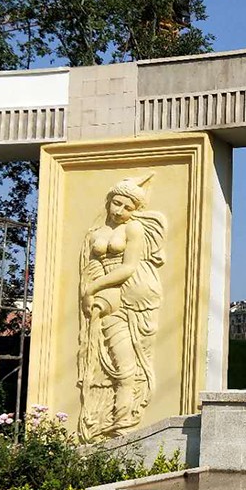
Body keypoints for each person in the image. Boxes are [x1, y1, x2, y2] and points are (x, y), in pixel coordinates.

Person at [77, 175, 165, 443]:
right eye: (116, 203)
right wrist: (91, 290)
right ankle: (105, 421)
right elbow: (88, 266)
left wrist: (92, 288)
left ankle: (122, 426)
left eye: (128, 207)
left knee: (128, 366)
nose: (119, 211)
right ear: (109, 201)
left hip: (134, 296)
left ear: (135, 210)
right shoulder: (95, 232)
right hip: (109, 298)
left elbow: (128, 268)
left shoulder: (133, 229)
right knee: (112, 360)